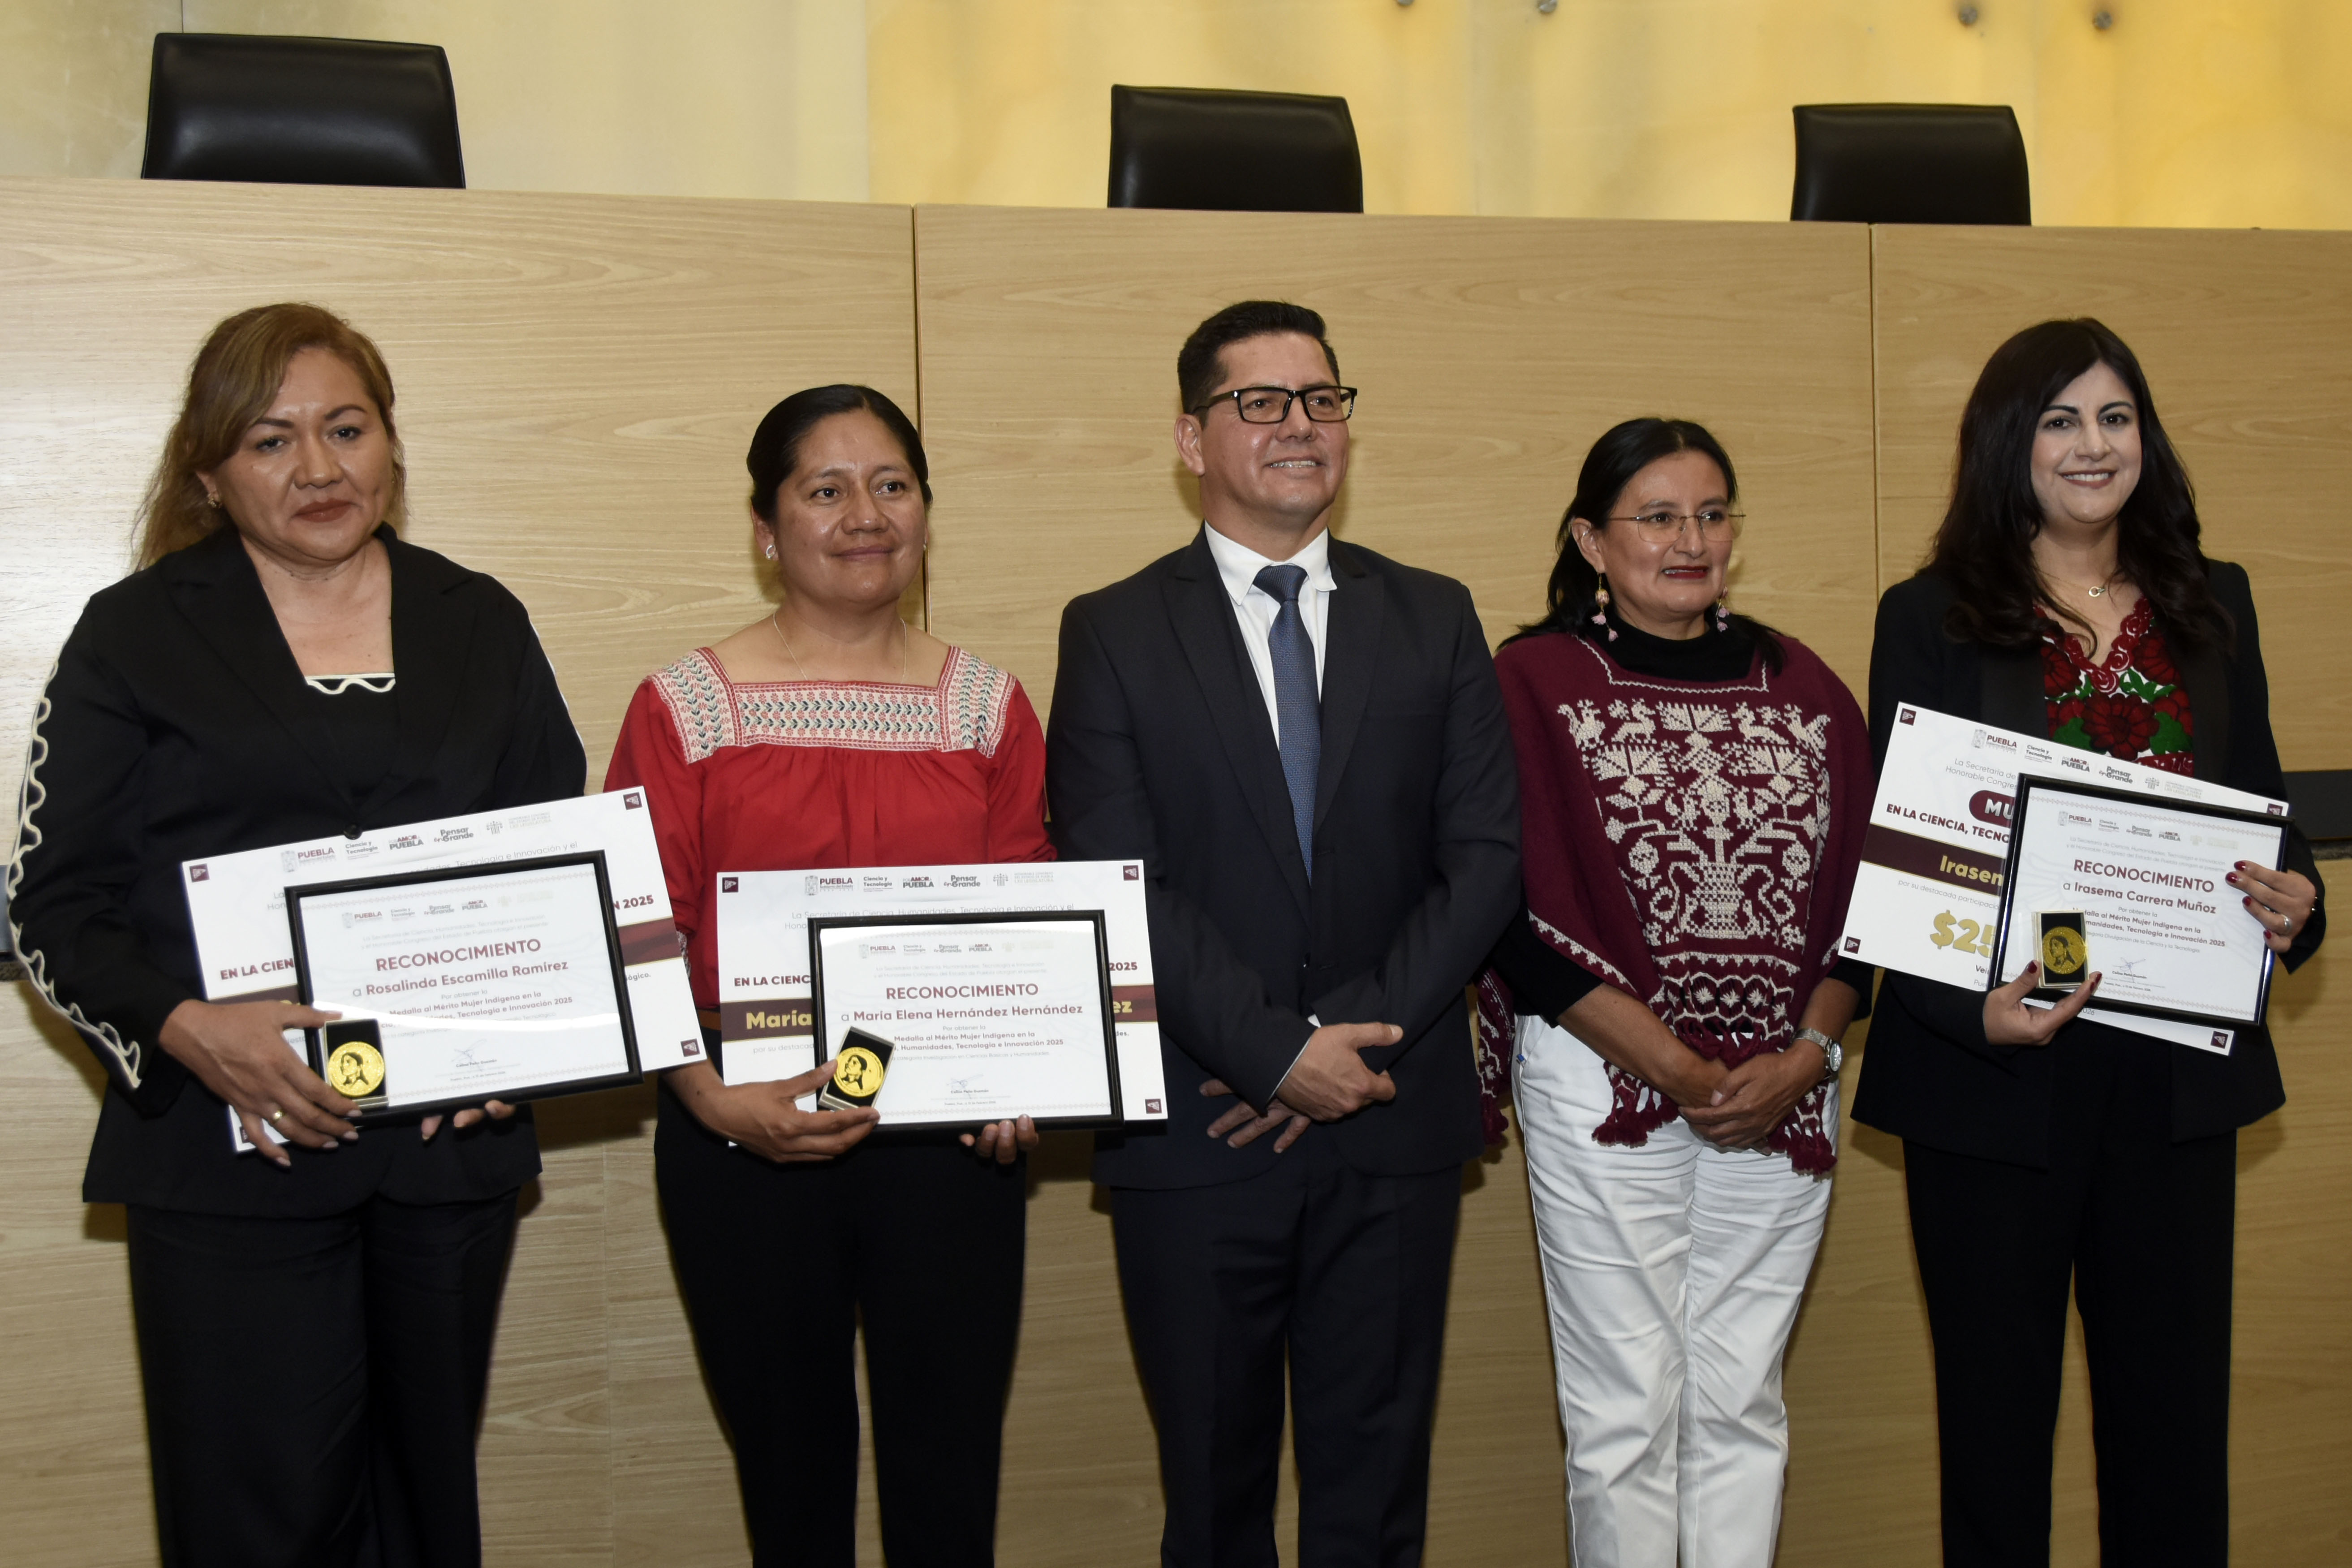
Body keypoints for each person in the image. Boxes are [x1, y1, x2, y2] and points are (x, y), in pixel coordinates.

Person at [7, 302, 586, 1567]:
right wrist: (187, 1029)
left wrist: (514, 1042)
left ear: (392, 443)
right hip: (227, 1157)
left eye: (347, 428)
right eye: (271, 441)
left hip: (444, 1156)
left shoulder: (480, 618)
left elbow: (553, 862)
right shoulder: (135, 632)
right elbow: (52, 903)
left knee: (424, 1504)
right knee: (254, 1517)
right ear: (209, 474)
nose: (319, 468)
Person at [1047, 301, 1521, 1567]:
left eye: (1321, 398)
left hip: (1390, 1118)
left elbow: (1484, 860)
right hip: (1199, 1128)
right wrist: (1269, 1052)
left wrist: (1336, 1047)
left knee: (1375, 1501)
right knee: (1214, 1501)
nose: (1299, 424)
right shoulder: (1112, 628)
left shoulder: (1434, 614)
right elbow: (1113, 875)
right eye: (1259, 402)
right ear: (1191, 439)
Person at [1858, 318, 2326, 1567]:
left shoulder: (2211, 599)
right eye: (2059, 420)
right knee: (1997, 1444)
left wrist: (2298, 901)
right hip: (1999, 1074)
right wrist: (1971, 1012)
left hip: (2173, 1075)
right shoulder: (1932, 614)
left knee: (2173, 1440)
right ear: (2007, 444)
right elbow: (1906, 853)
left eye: (2115, 417)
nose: (2092, 444)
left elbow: (2264, 801)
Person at [604, 384, 1052, 1568]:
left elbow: (1028, 920)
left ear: (926, 514)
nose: (866, 514)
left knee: (948, 1480)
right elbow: (639, 930)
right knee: (791, 1485)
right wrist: (710, 1098)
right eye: (826, 489)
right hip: (741, 1133)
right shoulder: (685, 704)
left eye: (892, 485)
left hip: (950, 1146)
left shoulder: (988, 705)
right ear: (767, 528)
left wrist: (1022, 1071)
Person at [1476, 418, 1873, 1568]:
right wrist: (1675, 1066)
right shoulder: (1530, 682)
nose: (1690, 541)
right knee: (1623, 1413)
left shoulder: (1808, 685)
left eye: (1711, 514)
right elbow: (1505, 907)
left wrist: (1807, 1056)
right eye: (1657, 517)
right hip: (1604, 1082)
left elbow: (1873, 901)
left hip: (1785, 1088)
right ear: (1590, 541)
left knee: (1744, 1399)